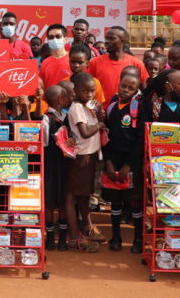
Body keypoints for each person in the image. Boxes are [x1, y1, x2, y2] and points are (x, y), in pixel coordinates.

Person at [103, 71, 145, 253]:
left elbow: (141, 140)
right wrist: (108, 161)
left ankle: (138, 239)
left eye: (131, 88)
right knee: (115, 201)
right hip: (113, 160)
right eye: (123, 86)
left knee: (134, 202)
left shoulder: (139, 109)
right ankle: (116, 237)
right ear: (118, 85)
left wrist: (127, 165)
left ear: (136, 91)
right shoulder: (111, 108)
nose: (126, 90)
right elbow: (104, 136)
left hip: (131, 161)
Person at [65, 72, 103, 252]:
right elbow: (85, 132)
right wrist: (100, 125)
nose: (89, 94)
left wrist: (99, 114)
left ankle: (87, 227)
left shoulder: (87, 105)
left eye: (92, 91)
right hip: (82, 157)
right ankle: (75, 238)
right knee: (72, 197)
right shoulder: (77, 108)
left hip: (89, 155)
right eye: (85, 91)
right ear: (75, 91)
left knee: (83, 195)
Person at [36, 85, 74, 251]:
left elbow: (74, 136)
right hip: (51, 165)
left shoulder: (68, 117)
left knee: (61, 202)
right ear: (60, 100)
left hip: (63, 165)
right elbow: (44, 141)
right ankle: (51, 238)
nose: (68, 100)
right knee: (50, 203)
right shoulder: (46, 119)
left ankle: (61, 239)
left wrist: (72, 140)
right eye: (66, 97)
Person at [88, 27, 148, 108]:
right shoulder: (95, 62)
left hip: (128, 113)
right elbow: (89, 88)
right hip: (100, 112)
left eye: (111, 38)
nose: (107, 41)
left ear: (122, 41)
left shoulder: (137, 63)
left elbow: (143, 92)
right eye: (106, 38)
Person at [40, 24, 72, 89]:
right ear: (48, 40)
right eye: (51, 37)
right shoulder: (44, 63)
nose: (54, 39)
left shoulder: (73, 60)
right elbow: (42, 86)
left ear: (66, 39)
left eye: (58, 36)